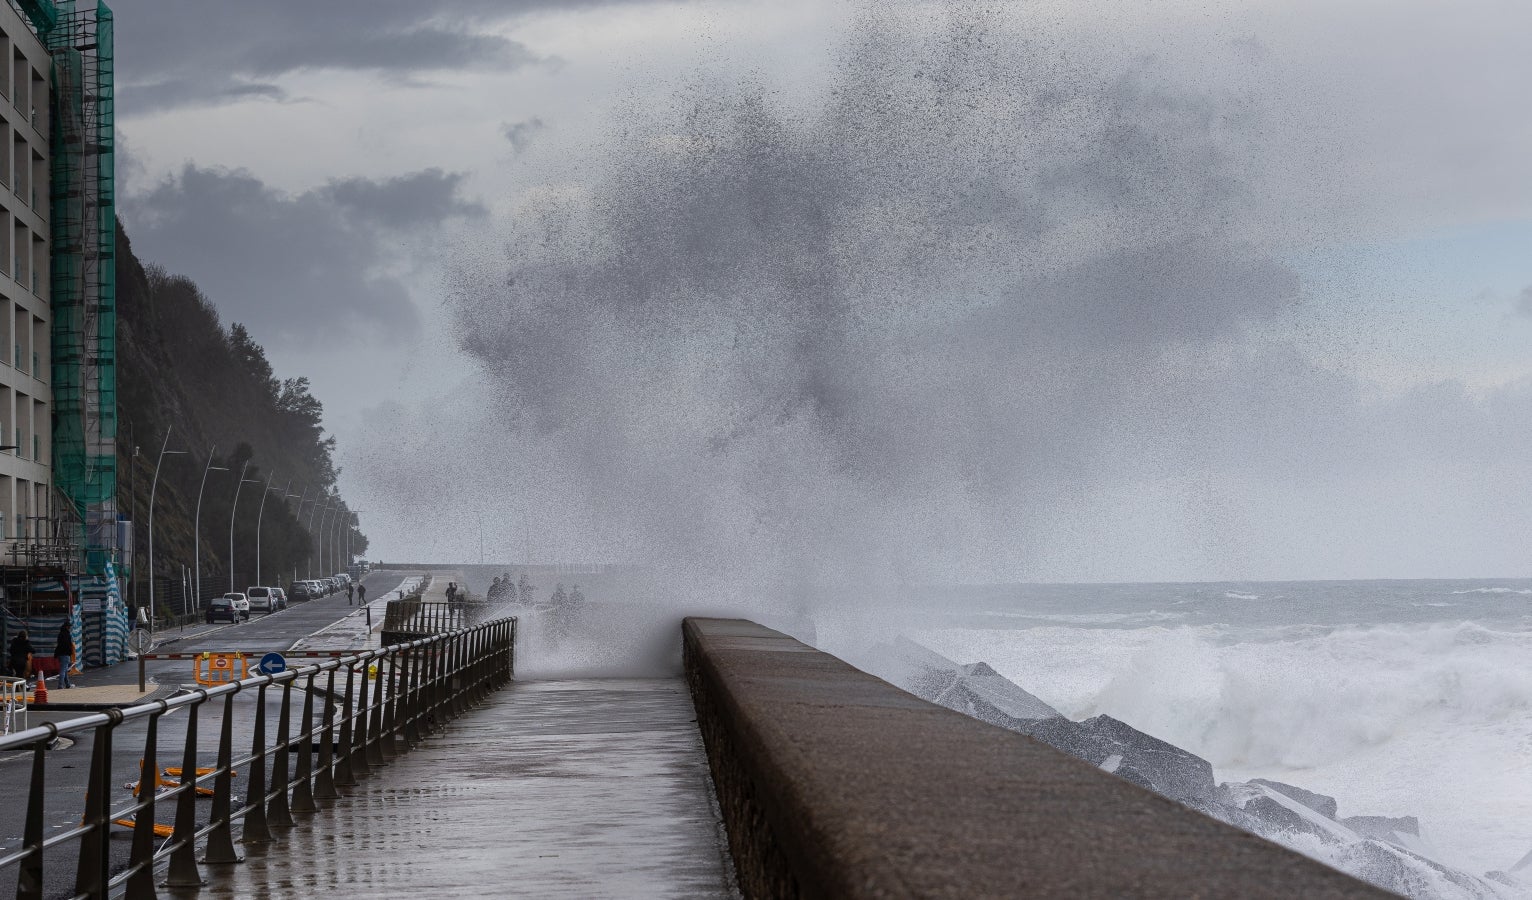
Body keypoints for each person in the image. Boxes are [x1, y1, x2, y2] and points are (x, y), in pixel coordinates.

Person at [54, 622, 76, 689]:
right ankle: (60, 685)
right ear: (67, 627)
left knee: (65, 670)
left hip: (60, 654)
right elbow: (68, 645)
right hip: (65, 654)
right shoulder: (67, 634)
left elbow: (59, 644)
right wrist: (70, 652)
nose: (70, 628)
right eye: (69, 626)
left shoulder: (60, 634)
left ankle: (67, 684)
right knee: (63, 670)